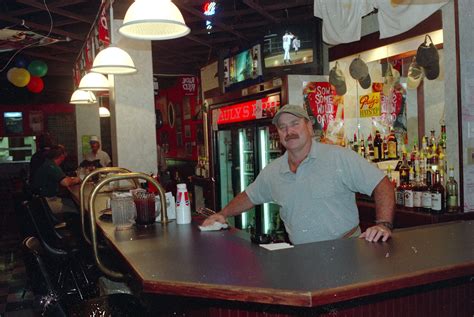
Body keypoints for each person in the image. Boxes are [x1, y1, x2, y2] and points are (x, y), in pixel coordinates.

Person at [203, 104, 395, 244]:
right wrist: (222, 214)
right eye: (283, 127)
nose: (289, 131)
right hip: (300, 255)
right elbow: (249, 196)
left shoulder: (338, 157)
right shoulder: (274, 170)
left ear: (309, 127)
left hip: (345, 250)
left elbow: (382, 184)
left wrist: (383, 224)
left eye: (295, 124)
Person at [31, 145, 82, 214]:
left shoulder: (48, 163)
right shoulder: (51, 166)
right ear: (61, 156)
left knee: (75, 203)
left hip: (43, 200)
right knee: (79, 209)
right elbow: (65, 182)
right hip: (46, 202)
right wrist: (78, 179)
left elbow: (62, 178)